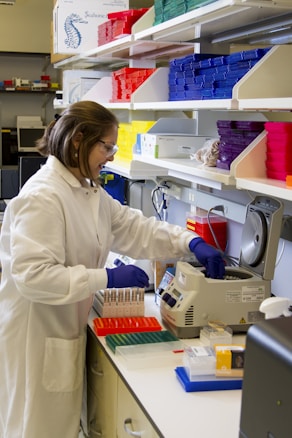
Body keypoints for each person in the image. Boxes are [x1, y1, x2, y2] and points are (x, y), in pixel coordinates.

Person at [0, 100, 225, 438]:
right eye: (106, 147)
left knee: (57, 425)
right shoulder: (44, 196)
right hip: (36, 334)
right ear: (78, 140)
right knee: (35, 427)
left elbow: (135, 228)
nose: (111, 156)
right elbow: (34, 276)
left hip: (62, 328)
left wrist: (189, 242)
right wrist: (107, 277)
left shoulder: (87, 190)